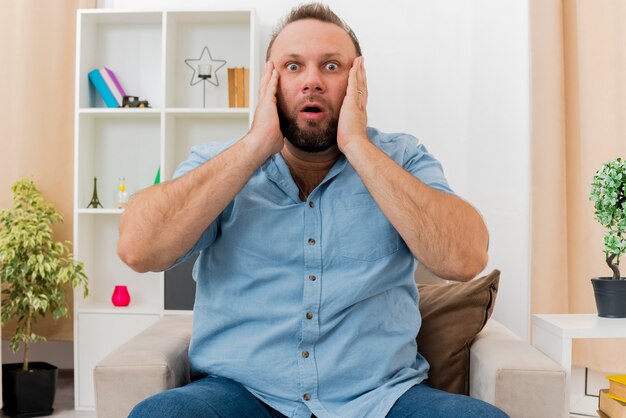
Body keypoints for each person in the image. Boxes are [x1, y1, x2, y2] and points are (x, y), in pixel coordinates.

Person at [119, 3, 506, 418]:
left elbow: (465, 259)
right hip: (240, 394)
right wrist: (254, 146)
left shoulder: (402, 157)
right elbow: (139, 250)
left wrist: (357, 144)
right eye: (292, 66)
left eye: (332, 66)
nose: (312, 82)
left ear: (358, 81)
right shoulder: (219, 162)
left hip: (381, 398)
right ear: (269, 83)